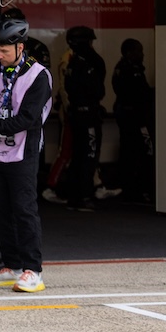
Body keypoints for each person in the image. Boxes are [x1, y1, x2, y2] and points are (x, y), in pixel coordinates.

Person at [0, 16, 53, 294]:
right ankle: (12, 265)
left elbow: (28, 120)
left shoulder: (38, 75)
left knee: (24, 210)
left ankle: (33, 270)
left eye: (4, 51)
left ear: (20, 47)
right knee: (0, 210)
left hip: (21, 151)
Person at [61, 25, 106, 212]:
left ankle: (74, 196)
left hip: (76, 113)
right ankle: (85, 196)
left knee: (79, 154)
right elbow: (97, 90)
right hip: (88, 114)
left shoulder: (73, 62)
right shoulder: (88, 62)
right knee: (89, 154)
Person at [112, 38, 155, 205]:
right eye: (139, 51)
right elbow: (139, 94)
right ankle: (139, 190)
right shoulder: (129, 70)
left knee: (129, 152)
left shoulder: (123, 68)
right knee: (143, 151)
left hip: (127, 115)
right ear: (130, 52)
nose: (142, 54)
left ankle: (131, 190)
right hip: (134, 117)